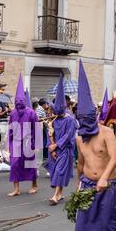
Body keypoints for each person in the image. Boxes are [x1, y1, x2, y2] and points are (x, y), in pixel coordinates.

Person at [74, 61, 116, 231]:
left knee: (108, 220)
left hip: (108, 183)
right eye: (81, 119)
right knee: (87, 220)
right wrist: (79, 183)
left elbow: (114, 158)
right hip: (87, 183)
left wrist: (104, 177)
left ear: (95, 116)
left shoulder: (106, 133)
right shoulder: (80, 138)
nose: (85, 122)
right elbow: (81, 162)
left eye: (88, 118)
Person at [46, 75, 78, 206]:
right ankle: (59, 193)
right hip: (54, 149)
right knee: (55, 170)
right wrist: (50, 146)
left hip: (65, 149)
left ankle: (55, 196)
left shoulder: (70, 119)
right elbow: (50, 133)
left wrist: (57, 146)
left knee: (60, 170)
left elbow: (69, 135)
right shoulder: (53, 119)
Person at [8, 74, 38, 196]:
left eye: (21, 100)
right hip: (16, 143)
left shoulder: (31, 113)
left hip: (28, 142)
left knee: (30, 164)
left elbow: (36, 129)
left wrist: (36, 144)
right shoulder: (12, 113)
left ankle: (34, 184)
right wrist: (9, 145)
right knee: (14, 164)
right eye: (17, 101)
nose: (19, 102)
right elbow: (10, 129)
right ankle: (16, 188)